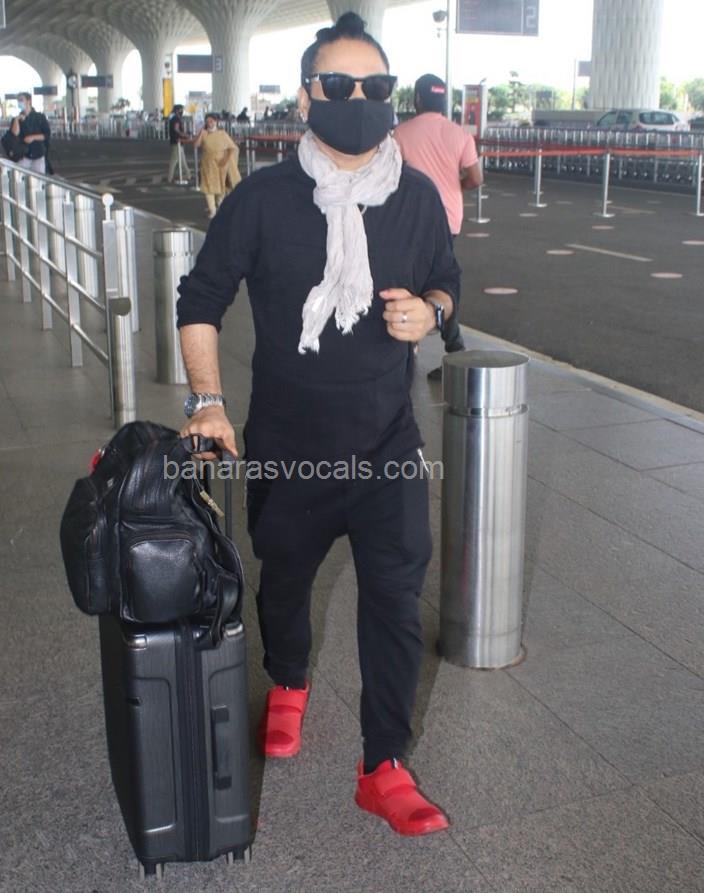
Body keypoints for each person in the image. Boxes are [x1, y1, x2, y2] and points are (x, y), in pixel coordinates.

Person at [177, 12, 460, 837]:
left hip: (386, 441)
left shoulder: (415, 197)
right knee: (286, 578)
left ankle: (384, 765)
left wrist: (431, 312)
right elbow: (200, 299)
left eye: (377, 87)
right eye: (340, 85)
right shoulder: (263, 200)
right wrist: (206, 400)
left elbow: (448, 279)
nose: (360, 100)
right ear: (307, 97)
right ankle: (291, 679)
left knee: (396, 595)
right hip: (289, 442)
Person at [394, 74, 482, 381]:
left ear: (417, 99)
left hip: (411, 220)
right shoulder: (460, 134)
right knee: (442, 281)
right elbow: (476, 178)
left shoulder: (401, 133)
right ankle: (452, 349)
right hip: (450, 220)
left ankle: (427, 345)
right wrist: (454, 186)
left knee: (410, 279)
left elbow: (389, 176)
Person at [192, 113, 239, 218]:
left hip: (221, 164)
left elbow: (232, 148)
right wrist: (200, 133)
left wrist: (226, 160)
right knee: (208, 187)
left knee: (221, 187)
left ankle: (220, 206)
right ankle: (212, 210)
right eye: (207, 121)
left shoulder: (222, 134)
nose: (209, 123)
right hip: (207, 165)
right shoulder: (204, 133)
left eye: (211, 121)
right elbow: (195, 145)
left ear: (216, 121)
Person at [10, 92, 50, 174]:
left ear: (28, 101)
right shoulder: (16, 119)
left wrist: (33, 137)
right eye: (18, 100)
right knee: (19, 176)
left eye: (21, 100)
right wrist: (16, 120)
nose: (19, 102)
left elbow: (46, 134)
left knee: (38, 178)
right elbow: (15, 133)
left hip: (38, 153)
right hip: (23, 155)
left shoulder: (40, 117)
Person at [167, 103, 191, 183]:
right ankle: (170, 178)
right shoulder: (176, 119)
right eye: (181, 110)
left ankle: (188, 175)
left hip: (178, 142)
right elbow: (176, 129)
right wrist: (184, 135)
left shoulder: (174, 118)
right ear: (177, 110)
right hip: (177, 142)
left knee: (183, 160)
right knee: (174, 161)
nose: (182, 111)